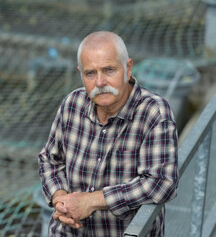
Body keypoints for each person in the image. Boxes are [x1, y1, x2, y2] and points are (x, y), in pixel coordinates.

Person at [38, 31, 179, 236]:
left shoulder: (153, 113)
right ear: (81, 74)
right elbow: (50, 160)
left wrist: (92, 201)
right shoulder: (72, 104)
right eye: (90, 73)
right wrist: (61, 200)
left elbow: (161, 182)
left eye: (109, 70)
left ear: (128, 68)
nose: (100, 82)